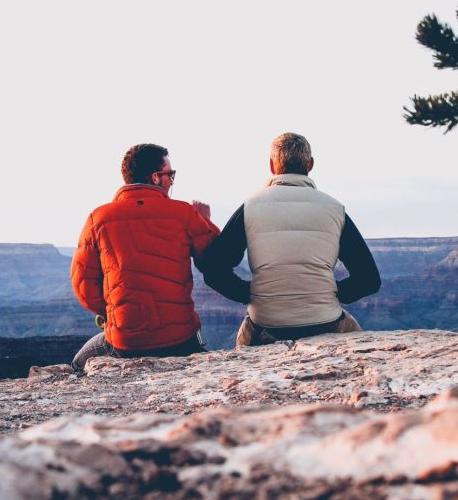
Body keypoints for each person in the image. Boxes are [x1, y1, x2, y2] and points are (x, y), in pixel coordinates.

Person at [201, 132, 381, 347]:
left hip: (266, 323)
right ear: (311, 164)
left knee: (244, 340)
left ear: (271, 165)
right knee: (356, 339)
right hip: (326, 322)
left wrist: (249, 293)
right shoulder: (334, 209)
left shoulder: (251, 207)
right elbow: (369, 279)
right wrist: (330, 292)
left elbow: (213, 269)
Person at [70, 143, 220, 371]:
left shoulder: (98, 219)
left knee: (79, 363)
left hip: (126, 342)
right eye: (170, 175)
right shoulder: (184, 214)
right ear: (156, 177)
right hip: (180, 340)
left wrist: (113, 311)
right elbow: (215, 261)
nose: (171, 181)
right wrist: (205, 221)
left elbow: (83, 285)